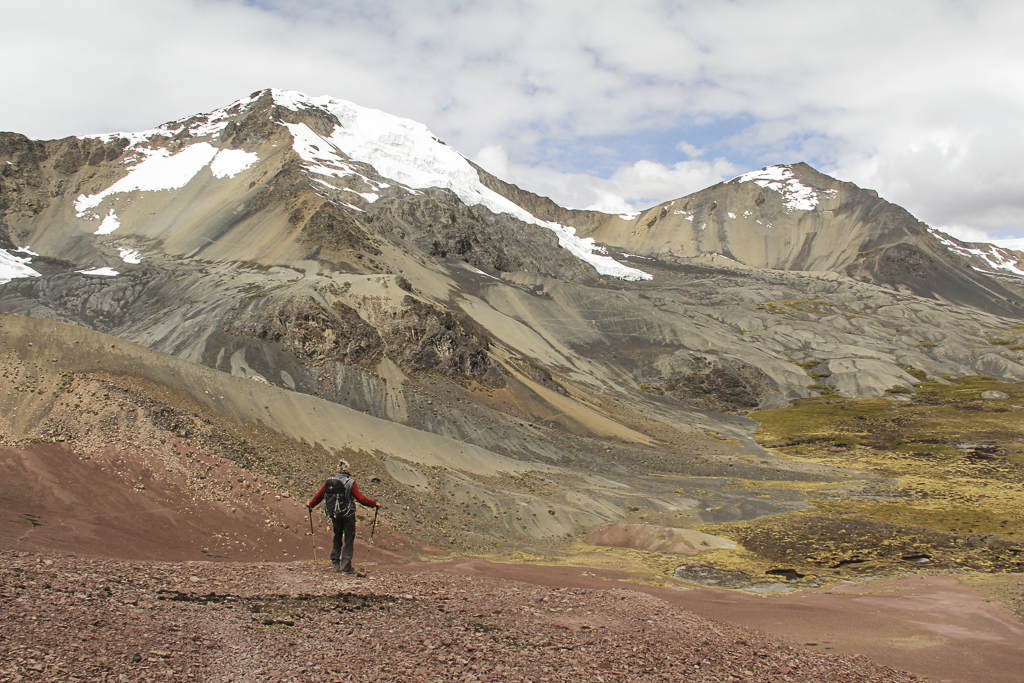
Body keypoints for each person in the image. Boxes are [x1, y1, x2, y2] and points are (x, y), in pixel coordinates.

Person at [307, 459, 382, 575]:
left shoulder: (329, 482)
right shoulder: (351, 483)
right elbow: (361, 499)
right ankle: (346, 567)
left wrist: (311, 504)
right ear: (348, 470)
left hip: (335, 514)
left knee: (337, 536)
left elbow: (320, 496)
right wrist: (374, 503)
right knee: (348, 538)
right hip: (348, 514)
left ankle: (335, 564)